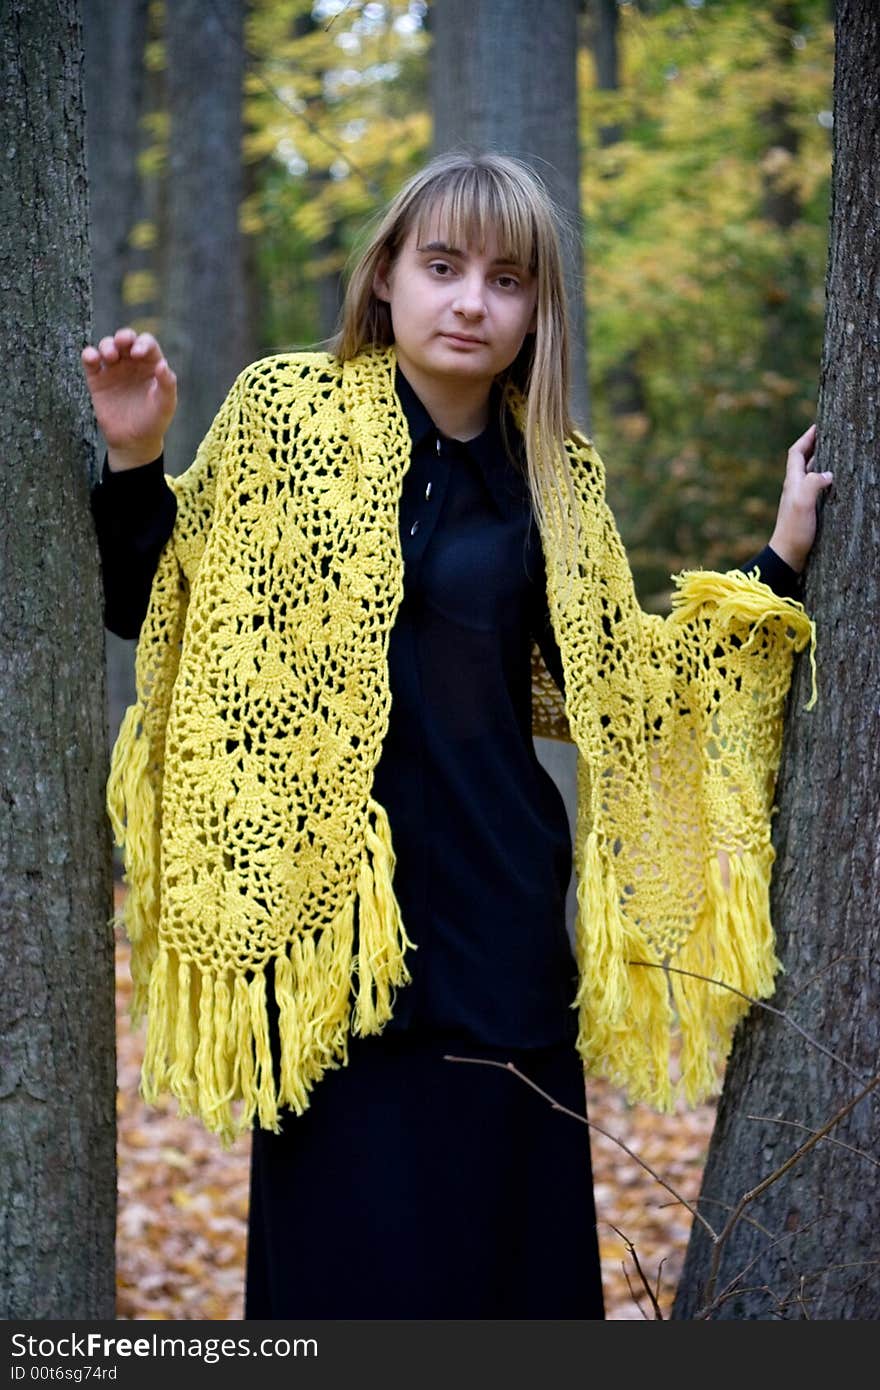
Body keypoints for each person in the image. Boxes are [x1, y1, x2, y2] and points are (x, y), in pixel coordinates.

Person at [84, 151, 831, 1320]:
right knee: (344, 1285)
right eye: (442, 266)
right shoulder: (285, 413)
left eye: (507, 277)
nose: (472, 299)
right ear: (385, 276)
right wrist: (137, 454)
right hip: (326, 945)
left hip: (499, 936)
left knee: (505, 1280)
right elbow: (158, 602)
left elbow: (625, 688)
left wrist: (775, 559)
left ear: (539, 309)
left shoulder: (553, 471)